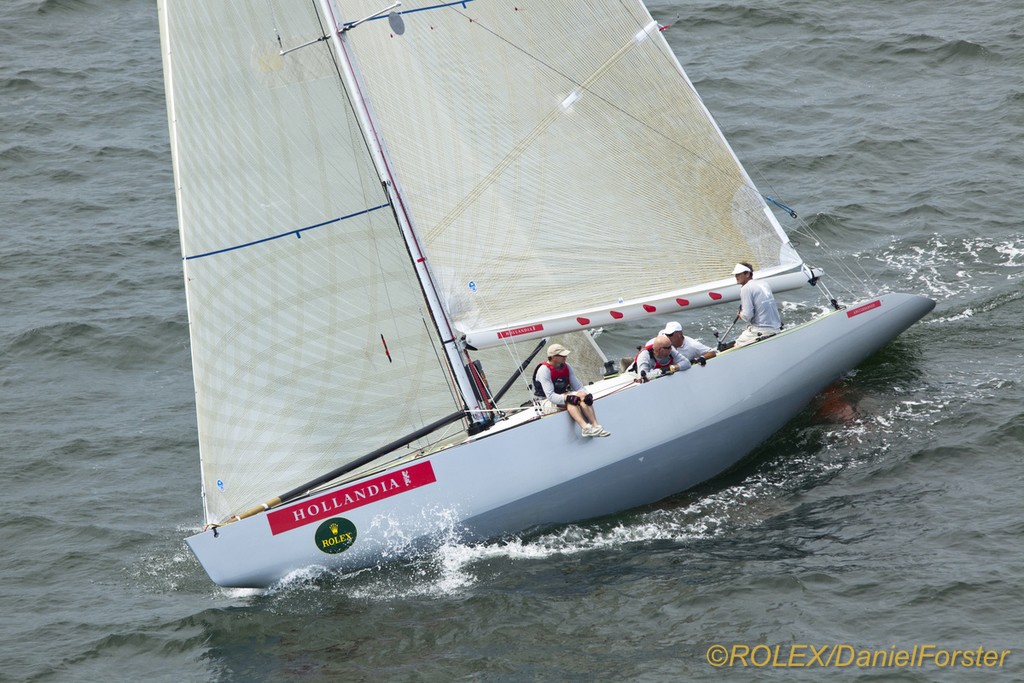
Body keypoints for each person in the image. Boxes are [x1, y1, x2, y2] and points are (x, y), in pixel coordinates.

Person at [533, 343, 610, 437]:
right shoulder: (544, 370)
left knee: (582, 395)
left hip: (561, 396)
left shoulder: (567, 366)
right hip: (545, 401)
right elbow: (550, 396)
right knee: (571, 401)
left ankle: (596, 427)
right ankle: (585, 428)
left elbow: (578, 387)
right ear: (553, 357)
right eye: (562, 355)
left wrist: (586, 395)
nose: (565, 357)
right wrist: (567, 398)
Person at [732, 262, 782, 347]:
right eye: (735, 274)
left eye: (738, 274)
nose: (736, 277)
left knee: (736, 345)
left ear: (747, 274)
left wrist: (740, 314)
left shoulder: (745, 288)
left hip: (762, 330)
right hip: (777, 326)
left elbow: (748, 316)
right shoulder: (764, 283)